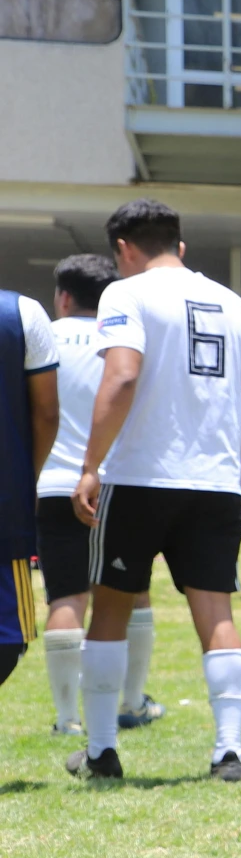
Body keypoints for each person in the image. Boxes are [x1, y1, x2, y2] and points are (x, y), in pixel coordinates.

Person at [68, 200, 241, 783]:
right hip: (215, 482)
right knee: (216, 611)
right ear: (178, 244)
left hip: (139, 477)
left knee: (110, 607)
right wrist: (236, 473)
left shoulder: (124, 294)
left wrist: (89, 465)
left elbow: (123, 375)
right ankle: (228, 751)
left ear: (124, 249)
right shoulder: (236, 304)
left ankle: (101, 751)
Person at [34, 256, 169, 736]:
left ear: (64, 297)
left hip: (51, 483)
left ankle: (68, 718)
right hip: (118, 482)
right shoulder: (127, 339)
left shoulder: (39, 336)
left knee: (66, 596)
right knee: (132, 593)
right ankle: (132, 702)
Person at [1, 280, 59, 696]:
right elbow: (46, 413)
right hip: (5, 502)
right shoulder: (21, 313)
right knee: (8, 635)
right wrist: (28, 477)